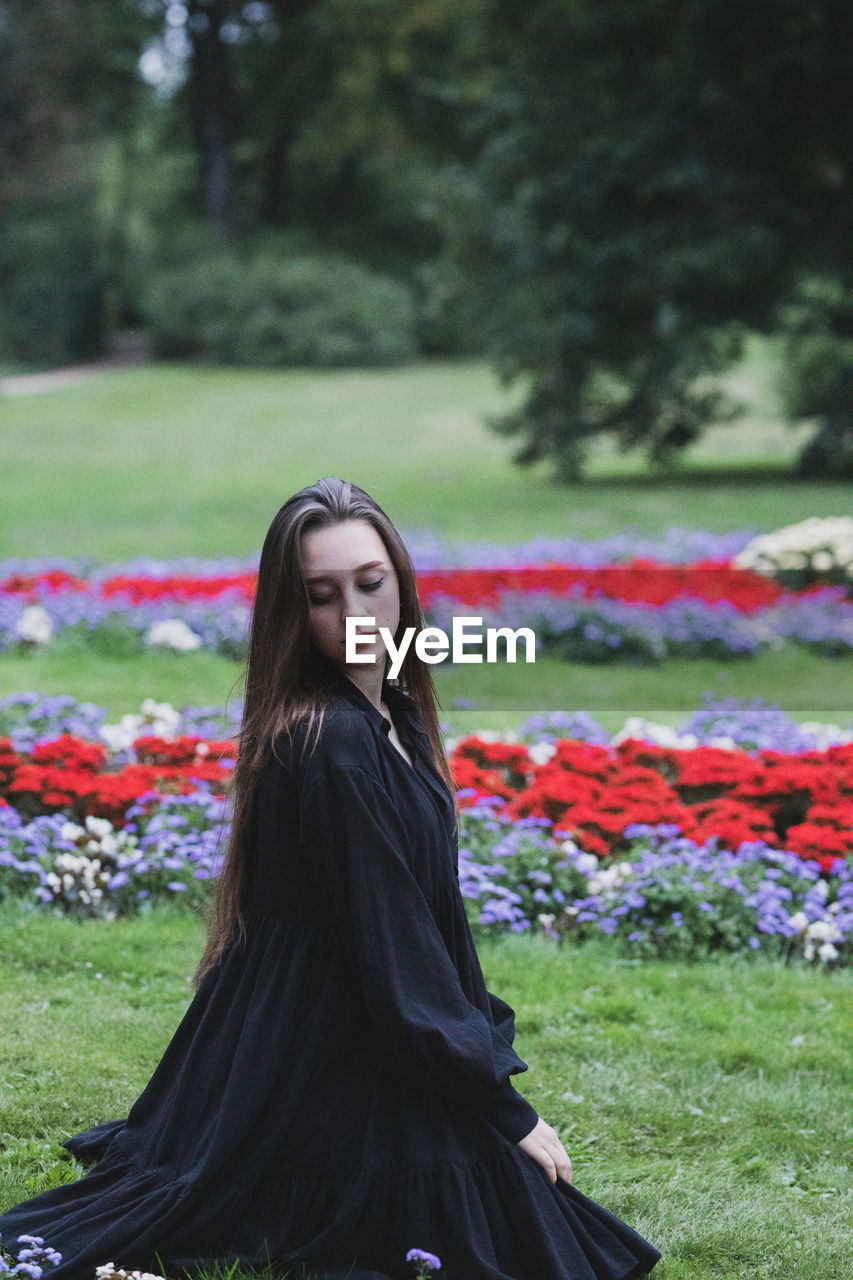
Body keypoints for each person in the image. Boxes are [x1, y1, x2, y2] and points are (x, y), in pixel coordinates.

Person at [0, 478, 661, 1280]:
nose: (354, 616)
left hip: (343, 1006)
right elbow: (392, 947)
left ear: (401, 586)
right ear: (291, 612)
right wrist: (500, 1107)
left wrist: (474, 1055)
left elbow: (418, 925)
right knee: (500, 1210)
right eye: (321, 596)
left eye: (370, 585)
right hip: (320, 1029)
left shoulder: (390, 714)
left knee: (499, 1194)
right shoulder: (333, 743)